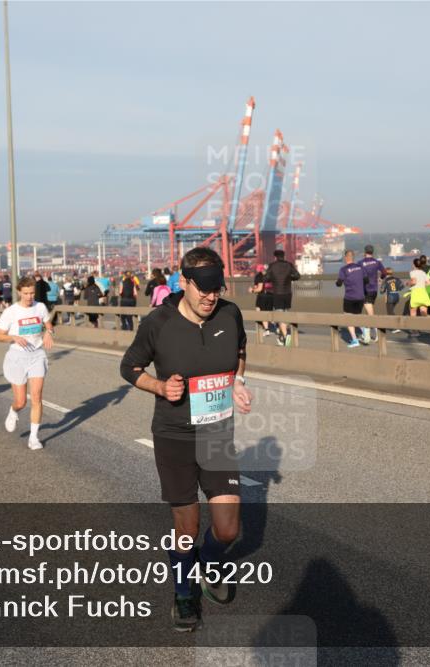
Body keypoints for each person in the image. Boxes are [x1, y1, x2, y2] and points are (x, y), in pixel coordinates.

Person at [119, 247, 252, 631]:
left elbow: (240, 352)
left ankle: (209, 562)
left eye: (217, 288)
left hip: (217, 433)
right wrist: (160, 387)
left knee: (227, 529)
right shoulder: (158, 323)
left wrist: (238, 382)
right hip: (174, 435)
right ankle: (183, 594)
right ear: (184, 282)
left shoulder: (230, 313)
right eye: (203, 289)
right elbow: (129, 367)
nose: (211, 297)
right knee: (187, 529)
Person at [0, 276, 55, 450]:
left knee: (37, 397)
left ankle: (33, 438)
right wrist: (13, 337)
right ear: (19, 292)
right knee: (21, 401)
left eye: (32, 293)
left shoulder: (40, 307)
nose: (29, 297)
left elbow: (49, 325)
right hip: (17, 357)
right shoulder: (11, 312)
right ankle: (13, 411)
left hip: (37, 355)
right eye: (26, 293)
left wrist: (49, 332)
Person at [264, 249, 300, 347]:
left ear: (275, 257)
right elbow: (297, 276)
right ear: (284, 256)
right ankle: (283, 334)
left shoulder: (272, 266)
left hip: (277, 293)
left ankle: (286, 335)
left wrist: (272, 279)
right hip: (288, 293)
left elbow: (266, 278)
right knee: (285, 313)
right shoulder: (289, 265)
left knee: (279, 315)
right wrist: (289, 278)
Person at [336, 250, 367, 348]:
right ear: (353, 257)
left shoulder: (343, 269)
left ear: (346, 258)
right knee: (357, 316)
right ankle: (364, 330)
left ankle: (354, 340)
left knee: (348, 318)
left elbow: (339, 283)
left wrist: (338, 282)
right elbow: (366, 280)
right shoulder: (360, 267)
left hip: (350, 297)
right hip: (360, 296)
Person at [358, 245, 387, 344]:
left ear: (365, 252)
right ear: (372, 252)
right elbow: (384, 272)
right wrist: (380, 278)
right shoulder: (377, 262)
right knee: (368, 312)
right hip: (374, 290)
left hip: (366, 290)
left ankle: (377, 333)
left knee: (370, 313)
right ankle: (367, 333)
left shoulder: (361, 263)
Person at [250, 264, 274, 337]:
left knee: (260, 312)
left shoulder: (259, 276)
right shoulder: (270, 275)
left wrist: (252, 290)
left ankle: (266, 329)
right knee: (268, 312)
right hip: (271, 296)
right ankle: (273, 326)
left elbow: (259, 289)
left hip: (262, 296)